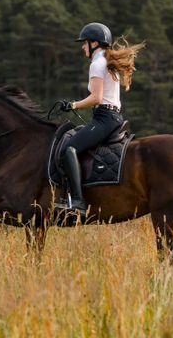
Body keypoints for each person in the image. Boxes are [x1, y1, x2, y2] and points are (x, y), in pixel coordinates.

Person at [56, 22, 145, 216]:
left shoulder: (97, 64)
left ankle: (78, 201)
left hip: (105, 118)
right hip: (111, 116)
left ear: (94, 43)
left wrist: (72, 105)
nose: (82, 47)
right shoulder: (107, 61)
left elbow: (96, 98)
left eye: (84, 43)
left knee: (69, 149)